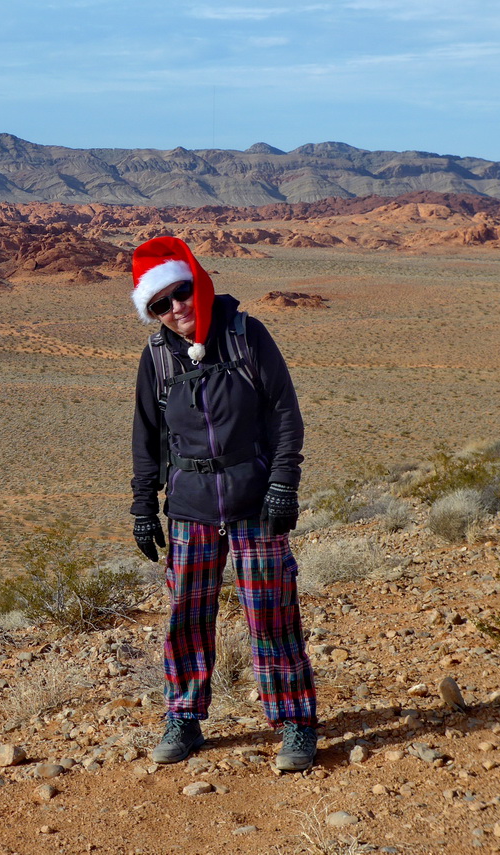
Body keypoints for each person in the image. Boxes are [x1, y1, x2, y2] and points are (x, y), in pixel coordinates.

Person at [128, 235, 318, 771]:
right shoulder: (157, 357)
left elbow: (284, 413)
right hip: (189, 505)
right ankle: (183, 717)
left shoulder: (246, 335)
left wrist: (284, 485)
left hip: (254, 500)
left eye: (181, 294)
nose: (176, 310)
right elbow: (146, 436)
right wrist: (143, 507)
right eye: (160, 304)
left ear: (198, 285)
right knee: (187, 616)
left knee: (270, 614)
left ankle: (296, 723)